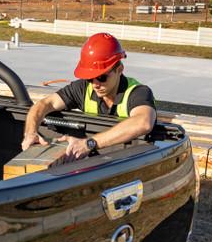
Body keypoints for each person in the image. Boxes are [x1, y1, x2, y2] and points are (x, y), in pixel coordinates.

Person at [21, 33, 156, 161]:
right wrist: (30, 133)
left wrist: (89, 143)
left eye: (102, 77)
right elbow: (44, 104)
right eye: (90, 78)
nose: (95, 84)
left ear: (119, 70)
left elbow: (143, 122)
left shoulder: (138, 92)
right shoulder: (83, 88)